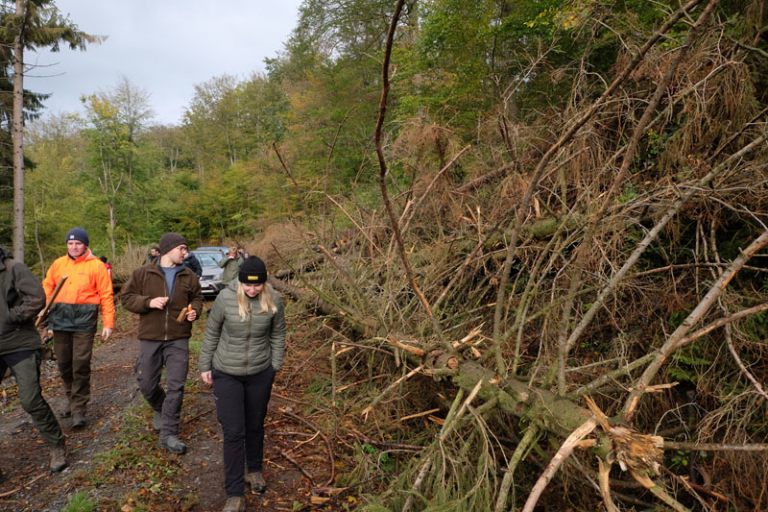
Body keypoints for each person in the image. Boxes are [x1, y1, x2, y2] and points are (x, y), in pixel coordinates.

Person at [199, 256, 285, 512]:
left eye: (257, 285)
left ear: (264, 283)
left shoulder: (275, 300)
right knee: (234, 431)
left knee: (255, 424)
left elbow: (278, 333)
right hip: (227, 372)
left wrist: (275, 365)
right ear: (240, 281)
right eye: (247, 285)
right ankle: (234, 493)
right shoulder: (225, 299)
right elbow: (212, 332)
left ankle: (254, 470)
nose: (251, 290)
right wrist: (204, 365)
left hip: (260, 371)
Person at [121, 232, 203, 454]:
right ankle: (161, 407)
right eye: (182, 249)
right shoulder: (143, 274)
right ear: (169, 249)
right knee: (146, 383)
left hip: (179, 338)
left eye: (186, 249)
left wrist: (194, 311)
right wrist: (148, 302)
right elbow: (126, 298)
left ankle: (169, 434)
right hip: (151, 337)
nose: (185, 253)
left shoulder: (189, 275)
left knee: (176, 385)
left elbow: (197, 297)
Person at [0, 246, 67, 473]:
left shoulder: (13, 268)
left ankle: (57, 445)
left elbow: (37, 297)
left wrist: (11, 317)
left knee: (29, 399)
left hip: (19, 343)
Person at [42, 227, 115, 428]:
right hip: (60, 319)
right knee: (64, 363)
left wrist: (108, 323)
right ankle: (70, 398)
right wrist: (47, 308)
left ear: (85, 245)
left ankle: (79, 409)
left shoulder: (97, 266)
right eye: (70, 243)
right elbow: (47, 286)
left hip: (84, 321)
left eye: (78, 243)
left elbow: (106, 294)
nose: (74, 247)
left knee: (80, 364)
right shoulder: (58, 264)